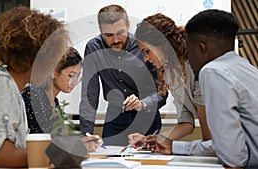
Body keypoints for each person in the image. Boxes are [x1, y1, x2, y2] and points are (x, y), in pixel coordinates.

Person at [0, 6, 69, 168]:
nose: (52, 68)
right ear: (36, 57)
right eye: (52, 59)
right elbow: (3, 157)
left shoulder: (12, 87)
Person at [79, 4, 167, 145]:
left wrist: (142, 103)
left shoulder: (143, 47)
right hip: (114, 118)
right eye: (108, 35)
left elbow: (162, 93)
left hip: (147, 117)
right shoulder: (93, 47)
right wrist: (86, 135)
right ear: (100, 30)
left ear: (128, 25)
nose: (115, 40)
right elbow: (90, 94)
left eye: (120, 32)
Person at [128, 13, 215, 156]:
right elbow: (186, 122)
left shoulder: (198, 67)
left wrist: (172, 146)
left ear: (162, 45)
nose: (145, 59)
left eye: (147, 51)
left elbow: (209, 140)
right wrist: (152, 140)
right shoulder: (170, 72)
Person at [184, 9, 258, 168]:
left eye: (188, 53)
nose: (189, 61)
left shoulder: (212, 71)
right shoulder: (246, 68)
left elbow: (233, 157)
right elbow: (228, 143)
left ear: (201, 48)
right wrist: (175, 147)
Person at [22, 47, 102, 152]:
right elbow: (46, 139)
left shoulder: (53, 101)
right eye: (71, 76)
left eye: (78, 77)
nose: (74, 82)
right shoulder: (34, 95)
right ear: (54, 71)